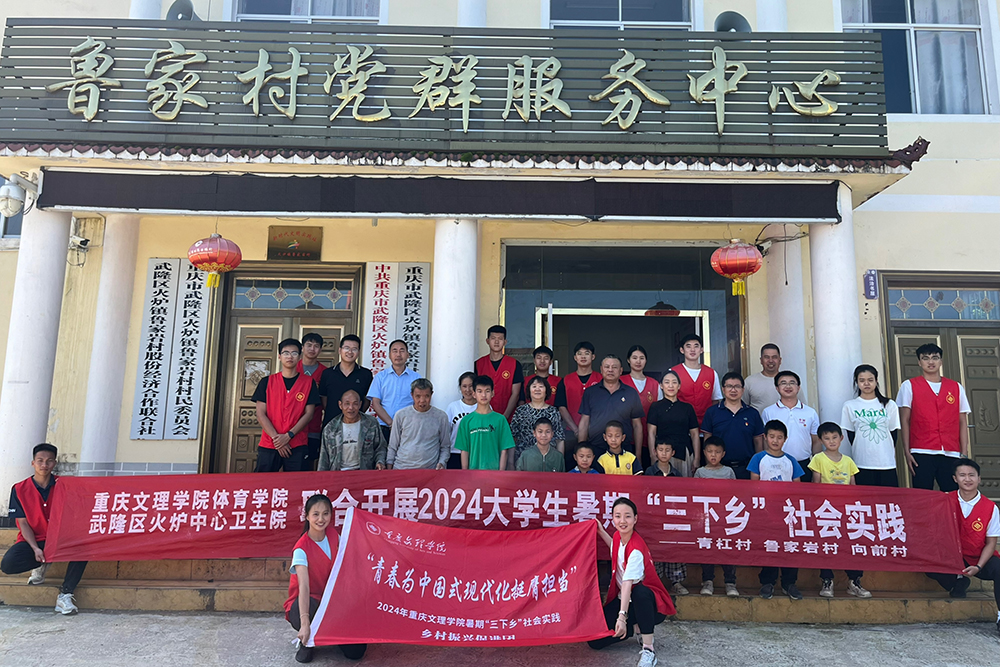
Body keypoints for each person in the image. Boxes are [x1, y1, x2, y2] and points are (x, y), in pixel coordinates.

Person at [1, 443, 88, 615]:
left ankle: (65, 594)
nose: (44, 465)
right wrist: (35, 548)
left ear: (54, 463)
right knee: (8, 564)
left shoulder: (65, 486)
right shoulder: (19, 489)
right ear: (33, 463)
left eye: (49, 461)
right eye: (40, 460)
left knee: (83, 548)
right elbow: (23, 523)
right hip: (35, 539)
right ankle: (42, 562)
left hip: (61, 539)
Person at [589, 498, 676, 667]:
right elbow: (615, 549)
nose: (622, 521)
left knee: (640, 592)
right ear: (612, 518)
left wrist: (622, 618)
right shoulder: (618, 537)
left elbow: (627, 583)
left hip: (650, 606)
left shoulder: (636, 549)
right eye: (618, 516)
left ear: (635, 519)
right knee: (595, 641)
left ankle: (648, 649)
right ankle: (638, 627)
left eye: (627, 516)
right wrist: (601, 531)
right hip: (626, 601)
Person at [286, 494, 366, 663]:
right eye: (316, 514)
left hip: (334, 602)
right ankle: (307, 640)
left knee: (356, 652)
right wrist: (305, 622)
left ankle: (331, 635)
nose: (321, 519)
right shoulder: (301, 549)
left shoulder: (333, 535)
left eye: (325, 513)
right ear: (307, 516)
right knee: (305, 609)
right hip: (310, 603)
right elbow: (304, 587)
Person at [926, 459, 1000, 635]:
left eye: (971, 475)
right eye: (962, 475)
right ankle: (957, 581)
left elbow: (991, 543)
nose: (967, 479)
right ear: (955, 478)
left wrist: (979, 566)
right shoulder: (944, 500)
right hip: (950, 556)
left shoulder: (990, 508)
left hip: (977, 557)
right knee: (926, 564)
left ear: (979, 479)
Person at [897, 343, 972, 492]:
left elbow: (962, 421)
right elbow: (905, 420)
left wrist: (964, 453)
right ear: (919, 362)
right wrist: (907, 451)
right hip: (921, 450)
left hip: (951, 450)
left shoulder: (956, 387)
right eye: (925, 358)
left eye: (935, 358)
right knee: (923, 494)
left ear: (941, 361)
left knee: (952, 494)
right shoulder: (909, 385)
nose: (930, 362)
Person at [807, 422, 870, 599]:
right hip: (826, 511)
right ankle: (827, 580)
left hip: (846, 510)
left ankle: (854, 581)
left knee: (851, 544)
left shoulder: (848, 461)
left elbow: (853, 485)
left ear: (841, 438)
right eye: (827, 438)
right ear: (821, 441)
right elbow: (816, 483)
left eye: (834, 437)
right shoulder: (818, 459)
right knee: (827, 544)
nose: (831, 441)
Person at [750, 420, 804, 600]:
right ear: (765, 437)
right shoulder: (758, 458)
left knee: (790, 546)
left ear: (785, 439)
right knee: (770, 545)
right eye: (772, 436)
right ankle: (768, 582)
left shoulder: (791, 460)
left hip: (787, 512)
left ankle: (789, 583)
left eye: (779, 437)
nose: (775, 440)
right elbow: (754, 485)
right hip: (766, 511)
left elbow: (797, 486)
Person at [253, 338, 320, 472]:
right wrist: (277, 440)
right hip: (269, 443)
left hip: (297, 443)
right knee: (263, 482)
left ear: (299, 357)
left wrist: (289, 436)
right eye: (286, 353)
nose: (290, 356)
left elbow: (309, 414)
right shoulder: (267, 382)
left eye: (294, 353)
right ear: (279, 356)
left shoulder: (308, 383)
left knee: (297, 482)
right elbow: (260, 414)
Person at [840, 364, 901, 487]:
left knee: (889, 497)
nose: (866, 383)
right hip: (862, 462)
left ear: (876, 381)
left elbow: (893, 433)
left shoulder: (889, 404)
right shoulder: (850, 406)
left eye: (870, 380)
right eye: (862, 380)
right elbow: (851, 435)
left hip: (886, 462)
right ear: (857, 382)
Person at [694, 437, 739, 597]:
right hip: (706, 518)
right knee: (707, 548)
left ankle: (730, 582)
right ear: (704, 453)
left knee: (727, 547)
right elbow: (695, 494)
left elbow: (735, 494)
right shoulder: (700, 472)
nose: (713, 455)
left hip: (726, 517)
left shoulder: (728, 472)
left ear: (723, 454)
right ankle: (707, 581)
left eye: (717, 452)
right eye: (710, 452)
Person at [644, 442, 689, 597]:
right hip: (654, 519)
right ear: (655, 451)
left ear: (673, 452)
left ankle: (676, 582)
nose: (664, 453)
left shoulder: (677, 474)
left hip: (672, 518)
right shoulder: (649, 472)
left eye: (667, 450)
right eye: (661, 450)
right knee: (654, 549)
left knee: (674, 547)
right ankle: (654, 582)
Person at [700, 373, 765, 480]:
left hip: (746, 468)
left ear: (743, 390)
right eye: (729, 386)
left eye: (737, 386)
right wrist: (710, 467)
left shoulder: (752, 413)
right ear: (723, 389)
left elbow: (758, 442)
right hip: (719, 469)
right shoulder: (712, 412)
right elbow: (707, 441)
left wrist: (758, 467)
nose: (733, 390)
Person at [578, 355, 644, 458]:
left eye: (614, 367)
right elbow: (584, 422)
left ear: (621, 370)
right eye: (607, 367)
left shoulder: (631, 393)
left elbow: (637, 425)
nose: (610, 370)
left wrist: (638, 455)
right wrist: (581, 451)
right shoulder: (590, 392)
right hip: (596, 449)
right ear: (601, 369)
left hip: (624, 451)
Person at [761, 370, 820, 482]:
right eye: (783, 383)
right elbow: (765, 440)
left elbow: (816, 441)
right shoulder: (768, 412)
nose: (788, 386)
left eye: (792, 383)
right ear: (777, 388)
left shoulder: (810, 412)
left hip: (803, 464)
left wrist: (817, 466)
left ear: (798, 388)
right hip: (776, 464)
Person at [386, 379, 451, 470]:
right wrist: (389, 467)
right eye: (418, 396)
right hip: (402, 468)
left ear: (431, 394)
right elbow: (393, 445)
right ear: (412, 395)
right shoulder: (401, 415)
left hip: (430, 469)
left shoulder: (441, 416)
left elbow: (445, 446)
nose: (422, 400)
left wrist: (442, 463)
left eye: (426, 396)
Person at [646, 370, 700, 477]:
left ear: (679, 386)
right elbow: (651, 433)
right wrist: (653, 455)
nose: (670, 386)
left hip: (684, 453)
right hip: (662, 453)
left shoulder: (687, 408)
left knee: (684, 484)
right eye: (667, 382)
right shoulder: (655, 407)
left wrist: (697, 458)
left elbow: (695, 434)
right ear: (661, 386)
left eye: (674, 382)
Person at [555, 341, 601, 466]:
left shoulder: (601, 379)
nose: (583, 356)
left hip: (596, 433)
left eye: (587, 353)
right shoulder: (566, 380)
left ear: (593, 356)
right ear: (575, 357)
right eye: (579, 354)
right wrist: (576, 430)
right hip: (571, 433)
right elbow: (562, 407)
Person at [455, 375, 516, 471]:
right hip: (473, 472)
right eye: (479, 391)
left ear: (492, 393)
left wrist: (501, 472)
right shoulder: (466, 421)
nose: (483, 395)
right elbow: (464, 450)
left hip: (495, 472)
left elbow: (504, 449)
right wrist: (465, 473)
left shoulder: (500, 420)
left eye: (487, 391)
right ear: (474, 394)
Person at [318, 390, 387, 471]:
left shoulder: (371, 424)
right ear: (340, 405)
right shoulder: (331, 428)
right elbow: (324, 458)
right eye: (347, 404)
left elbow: (380, 447)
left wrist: (380, 462)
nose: (351, 407)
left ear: (360, 404)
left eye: (355, 404)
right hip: (338, 473)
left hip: (364, 472)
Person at [368, 339, 421, 443]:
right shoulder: (380, 377)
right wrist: (391, 424)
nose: (398, 354)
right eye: (395, 351)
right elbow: (376, 403)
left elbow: (419, 403)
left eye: (402, 351)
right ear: (389, 355)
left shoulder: (416, 378)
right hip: (384, 428)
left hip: (408, 428)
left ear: (408, 355)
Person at [318, 334, 373, 429]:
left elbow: (367, 400)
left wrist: (353, 414)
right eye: (346, 348)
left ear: (358, 352)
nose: (350, 352)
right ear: (340, 350)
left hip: (356, 425)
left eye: (354, 349)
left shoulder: (365, 374)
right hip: (331, 424)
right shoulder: (328, 373)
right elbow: (324, 399)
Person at [510, 376, 565, 468]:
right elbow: (513, 438)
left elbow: (559, 439)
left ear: (546, 390)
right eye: (534, 386)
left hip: (548, 460)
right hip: (524, 460)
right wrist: (510, 463)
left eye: (541, 386)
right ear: (529, 390)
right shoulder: (520, 411)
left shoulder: (553, 411)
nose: (537, 389)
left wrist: (559, 460)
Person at [620, 344, 662, 468]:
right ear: (628, 360)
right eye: (634, 358)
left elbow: (660, 412)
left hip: (649, 438)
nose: (638, 361)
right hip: (624, 438)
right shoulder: (620, 381)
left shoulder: (654, 384)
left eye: (641, 358)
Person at [670, 333, 722, 426]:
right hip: (680, 424)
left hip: (706, 425)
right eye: (688, 346)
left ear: (701, 350)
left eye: (696, 346)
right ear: (682, 350)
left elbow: (715, 400)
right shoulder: (673, 372)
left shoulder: (711, 373)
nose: (692, 350)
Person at [474, 325, 522, 421]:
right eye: (493, 338)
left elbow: (515, 393)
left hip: (508, 418)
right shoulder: (478, 364)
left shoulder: (514, 364)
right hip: (482, 418)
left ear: (505, 342)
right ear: (487, 341)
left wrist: (505, 416)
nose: (496, 342)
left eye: (500, 339)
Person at [297, 332, 328, 467]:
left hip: (313, 426)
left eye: (316, 346)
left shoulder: (325, 372)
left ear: (320, 349)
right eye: (309, 345)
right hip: (291, 425)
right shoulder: (292, 368)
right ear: (302, 348)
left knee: (309, 464)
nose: (312, 349)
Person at [445, 372, 479, 469]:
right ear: (460, 388)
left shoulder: (484, 406)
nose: (467, 390)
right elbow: (446, 432)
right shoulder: (453, 407)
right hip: (455, 453)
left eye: (471, 386)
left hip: (476, 453)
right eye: (464, 386)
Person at [743, 343, 782, 414]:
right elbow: (743, 407)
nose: (771, 361)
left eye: (774, 357)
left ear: (780, 360)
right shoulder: (750, 381)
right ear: (761, 360)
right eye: (767, 357)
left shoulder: (790, 383)